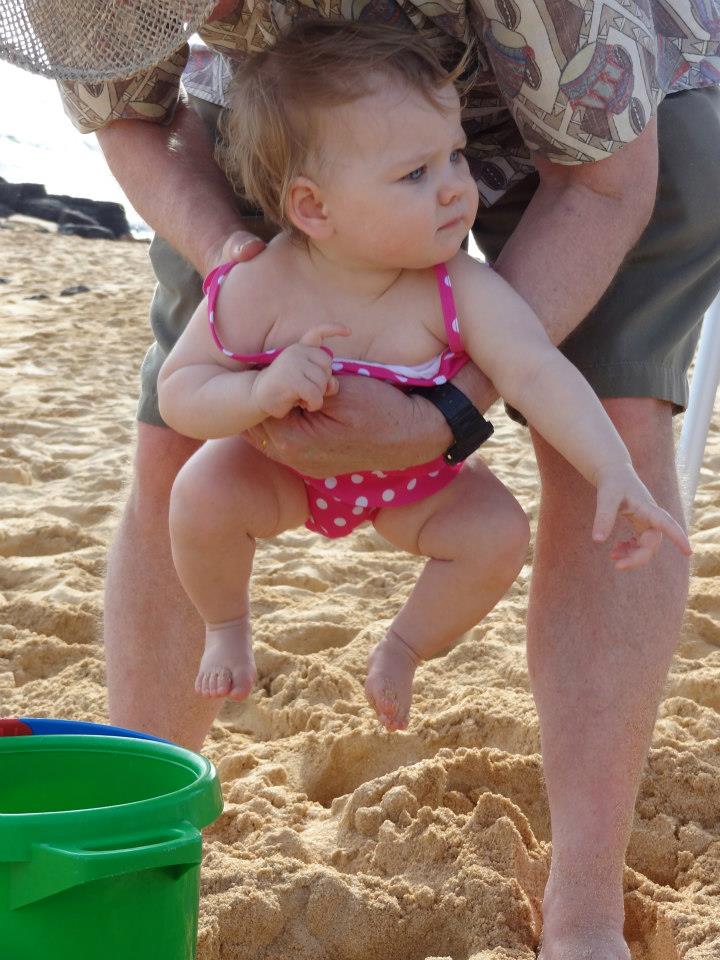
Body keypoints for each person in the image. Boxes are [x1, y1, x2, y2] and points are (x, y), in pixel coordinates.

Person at [3, 1, 718, 958]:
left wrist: (444, 417)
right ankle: (142, 837)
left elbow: (598, 199)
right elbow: (130, 124)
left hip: (593, 121)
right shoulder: (109, 17)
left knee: (613, 426)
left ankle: (584, 913)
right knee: (180, 469)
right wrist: (237, 279)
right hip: (304, 120)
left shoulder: (462, 269)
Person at [157, 21, 691, 737]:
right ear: (314, 207)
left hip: (416, 487)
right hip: (279, 474)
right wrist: (256, 393)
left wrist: (614, 468)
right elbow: (181, 391)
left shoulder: (456, 288)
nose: (454, 191)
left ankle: (404, 647)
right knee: (198, 491)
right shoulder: (256, 285)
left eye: (456, 156)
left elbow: (534, 368)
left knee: (499, 533)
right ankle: (226, 623)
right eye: (416, 173)